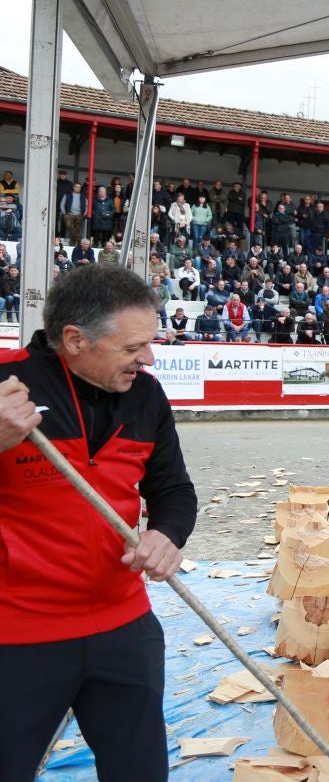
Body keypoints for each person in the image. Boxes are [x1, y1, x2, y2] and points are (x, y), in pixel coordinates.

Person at [0, 264, 196, 781]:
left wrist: (166, 535)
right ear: (74, 340)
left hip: (123, 626)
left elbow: (173, 491)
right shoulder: (5, 389)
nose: (148, 358)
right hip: (16, 635)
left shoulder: (146, 396)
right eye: (133, 347)